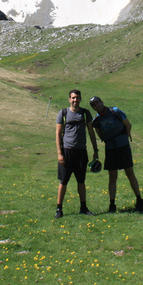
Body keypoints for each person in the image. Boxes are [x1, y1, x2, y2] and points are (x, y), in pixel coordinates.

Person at [89, 96, 143, 213]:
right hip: (110, 149)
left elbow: (128, 125)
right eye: (94, 105)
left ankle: (139, 200)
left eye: (98, 103)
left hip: (123, 146)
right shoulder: (97, 120)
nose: (97, 106)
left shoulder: (115, 111)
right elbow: (100, 135)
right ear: (93, 108)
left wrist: (125, 137)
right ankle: (112, 205)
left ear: (102, 102)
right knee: (112, 177)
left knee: (130, 173)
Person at [55, 89, 99, 219]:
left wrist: (95, 150)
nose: (75, 100)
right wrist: (59, 153)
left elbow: (91, 132)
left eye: (77, 98)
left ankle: (83, 208)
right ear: (69, 99)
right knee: (63, 181)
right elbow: (58, 134)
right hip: (66, 151)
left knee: (81, 181)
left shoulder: (85, 114)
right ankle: (59, 209)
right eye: (73, 98)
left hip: (81, 152)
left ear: (80, 99)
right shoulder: (63, 113)